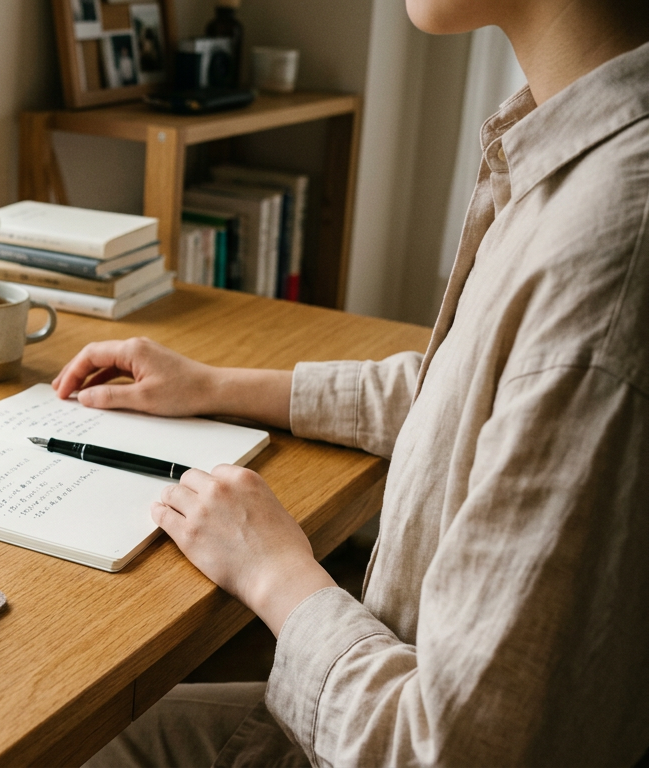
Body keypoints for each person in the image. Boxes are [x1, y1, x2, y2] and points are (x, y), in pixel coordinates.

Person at [65, 0, 649, 765]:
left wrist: (275, 572)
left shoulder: (608, 245)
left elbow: (445, 750)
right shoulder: (574, 152)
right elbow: (471, 395)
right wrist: (213, 386)